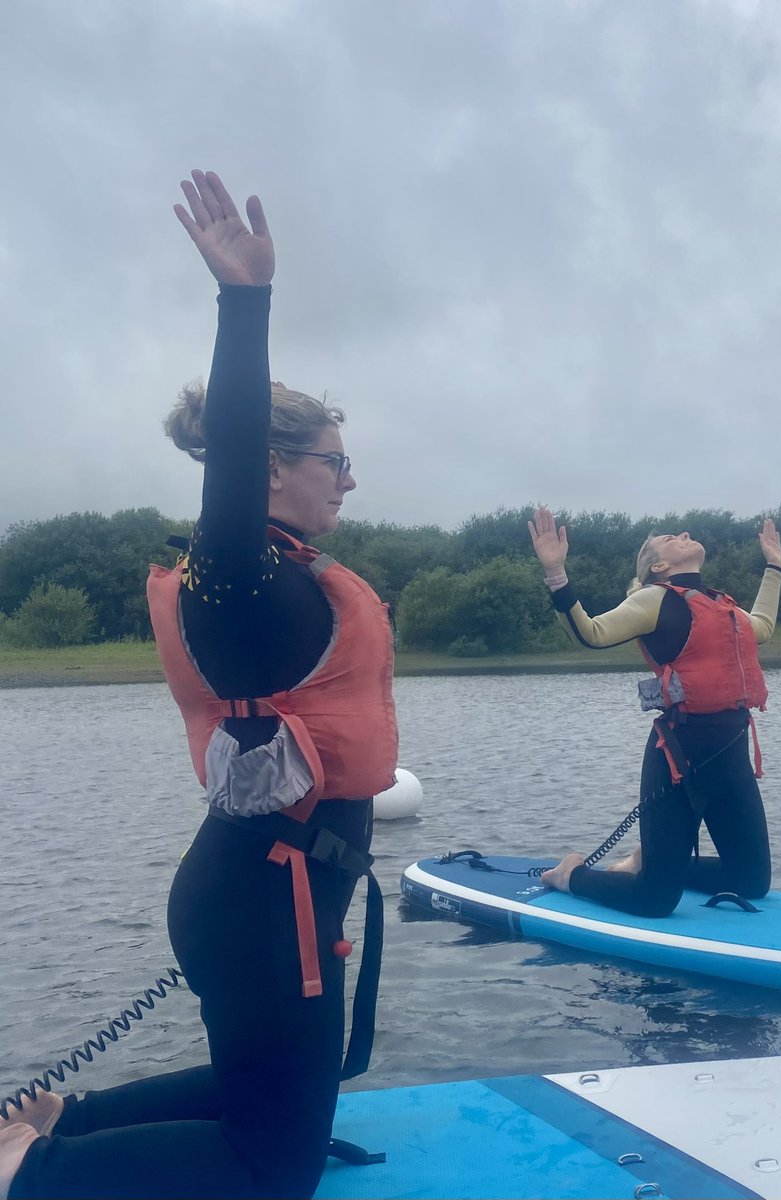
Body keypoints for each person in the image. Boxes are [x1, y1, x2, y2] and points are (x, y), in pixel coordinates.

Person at [0, 171, 397, 1200]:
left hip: (269, 889)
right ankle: (32, 1172)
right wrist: (245, 305)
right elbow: (224, 498)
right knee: (273, 1171)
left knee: (276, 1090)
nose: (348, 481)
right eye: (335, 463)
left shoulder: (293, 585)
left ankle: (66, 1119)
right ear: (268, 468)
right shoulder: (243, 591)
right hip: (267, 902)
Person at [529, 506, 781, 918]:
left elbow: (764, 627)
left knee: (752, 881)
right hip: (678, 759)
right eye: (671, 537)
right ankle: (569, 875)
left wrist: (774, 566)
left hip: (730, 756)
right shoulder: (654, 600)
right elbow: (591, 634)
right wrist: (557, 573)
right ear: (660, 566)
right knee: (655, 901)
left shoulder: (722, 606)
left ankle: (648, 861)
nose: (684, 532)